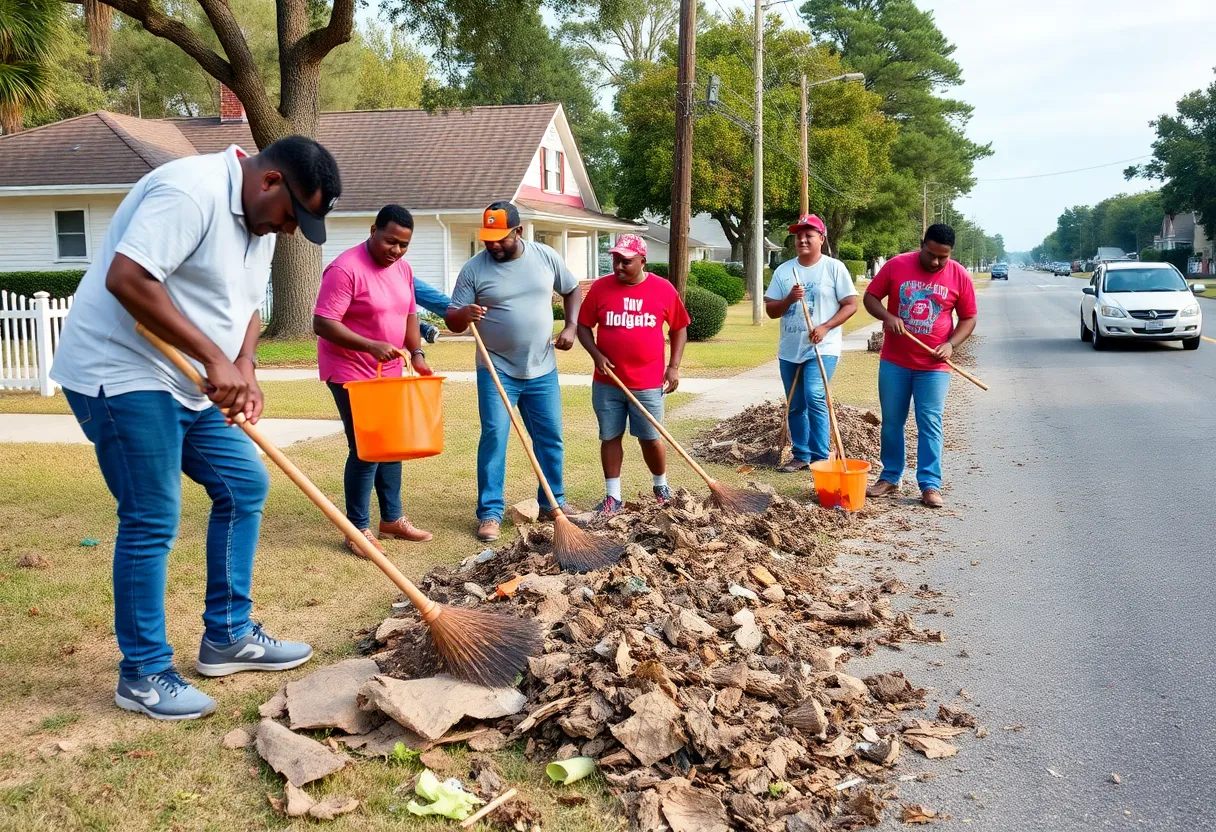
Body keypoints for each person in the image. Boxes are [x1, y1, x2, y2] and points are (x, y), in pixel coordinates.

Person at [49, 135, 341, 720]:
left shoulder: (257, 222)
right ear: (270, 182)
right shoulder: (190, 191)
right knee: (153, 514)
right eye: (291, 217)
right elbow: (129, 280)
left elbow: (249, 306)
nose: (289, 231)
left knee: (244, 485)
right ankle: (143, 674)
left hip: (185, 378)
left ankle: (228, 635)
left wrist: (246, 368)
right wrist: (215, 359)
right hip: (120, 370)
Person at [446, 202, 582, 542]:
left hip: (542, 367)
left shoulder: (545, 257)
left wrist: (572, 326)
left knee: (550, 438)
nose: (492, 245)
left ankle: (553, 503)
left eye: (500, 238)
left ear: (518, 232)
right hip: (496, 368)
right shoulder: (473, 270)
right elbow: (452, 319)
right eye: (488, 238)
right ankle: (490, 513)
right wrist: (465, 314)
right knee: (495, 437)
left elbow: (572, 289)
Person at [313, 204, 435, 555]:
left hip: (389, 370)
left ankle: (392, 520)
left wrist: (417, 354)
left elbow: (409, 315)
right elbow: (323, 322)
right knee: (367, 449)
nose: (396, 251)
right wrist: (370, 345)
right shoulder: (345, 269)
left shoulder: (403, 269)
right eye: (390, 241)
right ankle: (357, 528)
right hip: (350, 371)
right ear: (373, 230)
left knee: (391, 445)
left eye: (403, 245)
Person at [863, 223, 978, 508]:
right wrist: (887, 318)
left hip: (934, 366)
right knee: (892, 421)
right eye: (931, 254)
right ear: (922, 243)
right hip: (895, 362)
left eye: (944, 256)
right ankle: (890, 477)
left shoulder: (959, 275)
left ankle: (929, 484)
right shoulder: (896, 265)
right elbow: (870, 297)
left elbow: (968, 319)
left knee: (930, 422)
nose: (937, 262)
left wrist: (951, 344)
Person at [576, 234, 690, 514]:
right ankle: (613, 497)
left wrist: (673, 367)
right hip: (608, 382)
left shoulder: (663, 289)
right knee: (610, 436)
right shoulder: (601, 289)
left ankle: (660, 486)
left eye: (625, 261)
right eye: (615, 260)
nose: (618, 266)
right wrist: (596, 354)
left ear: (642, 261)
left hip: (648, 383)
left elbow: (679, 328)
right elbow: (582, 326)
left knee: (651, 437)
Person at [764, 214, 858, 472]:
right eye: (798, 235)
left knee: (815, 396)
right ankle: (801, 454)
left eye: (809, 235)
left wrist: (826, 327)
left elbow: (851, 304)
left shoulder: (834, 268)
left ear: (821, 239)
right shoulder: (784, 271)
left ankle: (819, 456)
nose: (802, 240)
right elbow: (772, 310)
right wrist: (790, 300)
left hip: (822, 348)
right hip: (790, 349)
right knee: (795, 403)